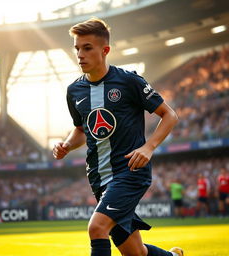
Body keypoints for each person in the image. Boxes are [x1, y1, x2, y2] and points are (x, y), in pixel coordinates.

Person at [53, 18, 182, 256]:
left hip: (130, 172)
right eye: (77, 48)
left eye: (87, 48)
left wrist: (149, 147)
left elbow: (169, 115)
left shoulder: (128, 80)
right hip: (99, 177)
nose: (80, 54)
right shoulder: (74, 91)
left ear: (105, 50)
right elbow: (81, 130)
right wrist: (67, 145)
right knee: (135, 252)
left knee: (97, 228)